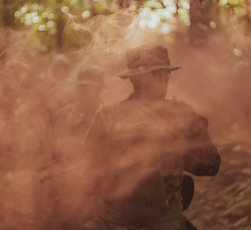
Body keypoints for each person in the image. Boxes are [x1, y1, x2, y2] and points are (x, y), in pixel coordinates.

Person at [82, 44, 221, 230]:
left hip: (115, 223)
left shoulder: (106, 116)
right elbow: (211, 165)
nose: (165, 79)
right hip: (166, 223)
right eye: (162, 73)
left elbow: (88, 181)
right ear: (154, 76)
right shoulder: (181, 114)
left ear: (132, 77)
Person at [40, 65, 105, 230]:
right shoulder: (62, 116)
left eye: (88, 86)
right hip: (67, 193)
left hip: (100, 195)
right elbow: (48, 151)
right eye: (81, 86)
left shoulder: (109, 115)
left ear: (99, 88)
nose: (84, 91)